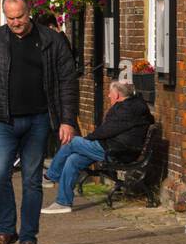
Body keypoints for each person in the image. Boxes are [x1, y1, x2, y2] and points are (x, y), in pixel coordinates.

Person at [0, 0, 79, 244]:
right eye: (10, 18)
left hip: (39, 120)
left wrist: (67, 120)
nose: (15, 22)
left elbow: (67, 82)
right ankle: (6, 231)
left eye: (20, 17)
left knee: (31, 180)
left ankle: (28, 238)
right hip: (5, 121)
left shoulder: (51, 40)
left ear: (29, 12)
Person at [43, 79, 153, 213]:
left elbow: (106, 131)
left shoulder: (125, 110)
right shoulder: (134, 106)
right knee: (73, 160)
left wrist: (87, 139)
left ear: (117, 95)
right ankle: (63, 203)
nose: (108, 96)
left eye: (110, 93)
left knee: (72, 142)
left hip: (116, 151)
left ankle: (50, 177)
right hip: (116, 148)